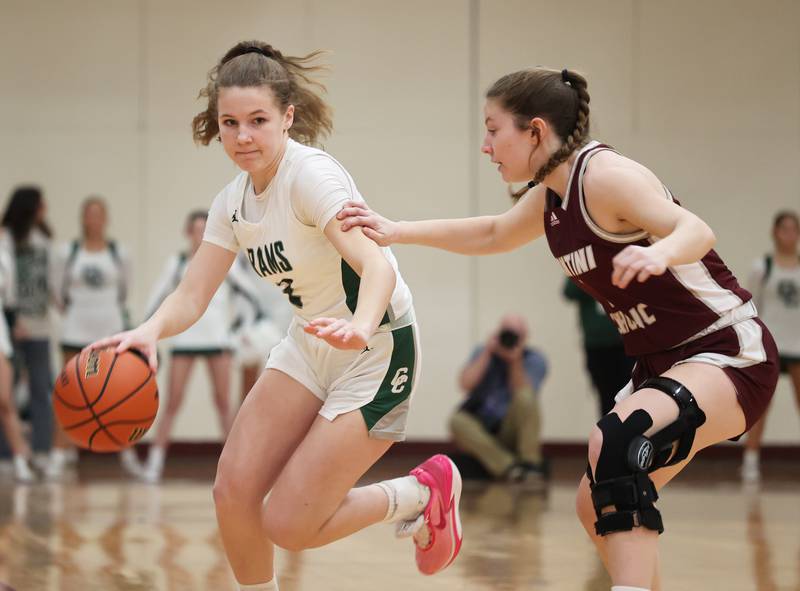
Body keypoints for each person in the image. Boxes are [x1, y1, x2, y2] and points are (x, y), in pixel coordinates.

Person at [338, 67, 778, 591]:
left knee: (617, 441)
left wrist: (658, 252)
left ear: (536, 131)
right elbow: (494, 233)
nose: (485, 145)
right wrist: (395, 230)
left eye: (493, 128)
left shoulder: (604, 176)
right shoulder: (552, 194)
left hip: (727, 350)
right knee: (595, 505)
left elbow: (697, 231)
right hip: (662, 362)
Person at [89, 41, 462, 590]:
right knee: (232, 492)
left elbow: (376, 266)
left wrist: (358, 326)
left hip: (376, 349)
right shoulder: (232, 202)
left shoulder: (311, 178)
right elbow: (192, 295)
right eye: (230, 123)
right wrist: (147, 332)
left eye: (258, 120)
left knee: (287, 523)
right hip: (310, 342)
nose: (242, 136)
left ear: (288, 117)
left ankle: (420, 493)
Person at [137, 210, 257, 483]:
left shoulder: (225, 261)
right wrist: (147, 329)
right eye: (195, 230)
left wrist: (241, 330)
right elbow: (157, 296)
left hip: (218, 340)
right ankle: (155, 463)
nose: (200, 236)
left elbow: (250, 296)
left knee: (224, 403)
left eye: (205, 230)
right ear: (187, 233)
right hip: (185, 340)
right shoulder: (177, 262)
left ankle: (234, 466)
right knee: (172, 402)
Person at [48, 196, 140, 479]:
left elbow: (125, 290)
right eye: (90, 214)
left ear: (106, 219)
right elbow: (55, 289)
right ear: (83, 218)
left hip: (109, 332)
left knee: (116, 394)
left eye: (99, 214)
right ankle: (59, 453)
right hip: (76, 330)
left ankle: (127, 453)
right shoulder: (69, 252)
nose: (94, 220)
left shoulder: (118, 253)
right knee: (69, 392)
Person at [449, 314, 548, 483]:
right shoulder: (483, 352)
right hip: (483, 426)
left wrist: (515, 361)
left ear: (524, 338)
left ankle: (530, 463)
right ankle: (509, 467)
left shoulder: (535, 359)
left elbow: (524, 392)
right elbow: (465, 384)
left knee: (525, 396)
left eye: (515, 335)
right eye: (506, 333)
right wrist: (487, 352)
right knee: (457, 420)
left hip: (512, 427)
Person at [741, 210, 800, 483]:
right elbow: (749, 305)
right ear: (774, 232)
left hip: (798, 343)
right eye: (784, 229)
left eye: (794, 229)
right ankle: (751, 460)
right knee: (763, 403)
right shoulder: (762, 267)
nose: (789, 234)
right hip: (771, 345)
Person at [0, 186, 55, 470]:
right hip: (10, 325)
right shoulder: (6, 238)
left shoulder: (44, 238)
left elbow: (52, 279)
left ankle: (42, 452)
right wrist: (13, 319)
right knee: (5, 394)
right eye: (41, 203)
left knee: (41, 390)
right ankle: (8, 454)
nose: (45, 207)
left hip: (39, 326)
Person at [563, 277, 635, 417]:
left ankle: (635, 436)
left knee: (632, 393)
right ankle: (608, 436)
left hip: (626, 344)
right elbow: (568, 292)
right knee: (605, 396)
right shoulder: (582, 262)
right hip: (596, 346)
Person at [0, 224, 35, 482]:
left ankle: (20, 459)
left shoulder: (4, 254)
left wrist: (15, 324)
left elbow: (9, 298)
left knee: (5, 400)